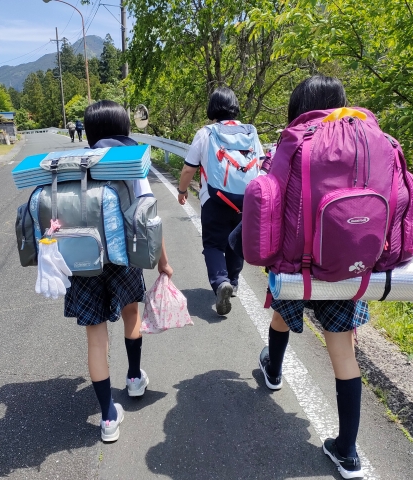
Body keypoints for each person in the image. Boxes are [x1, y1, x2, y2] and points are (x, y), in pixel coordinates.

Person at [257, 75, 368, 479]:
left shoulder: (289, 146)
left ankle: (272, 371)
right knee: (343, 353)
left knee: (281, 315)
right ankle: (348, 452)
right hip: (345, 269)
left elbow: (266, 204)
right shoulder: (362, 145)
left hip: (295, 268)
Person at [65, 100, 174, 443]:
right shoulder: (130, 163)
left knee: (95, 338)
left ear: (91, 131)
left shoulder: (75, 164)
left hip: (84, 261)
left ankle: (108, 417)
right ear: (125, 127)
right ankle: (133, 378)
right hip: (124, 259)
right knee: (131, 317)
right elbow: (149, 219)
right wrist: (163, 262)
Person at [176, 87, 264, 316]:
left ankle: (220, 282)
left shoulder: (206, 133)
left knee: (214, 244)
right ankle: (233, 282)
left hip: (215, 200)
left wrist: (182, 190)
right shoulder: (250, 132)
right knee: (237, 241)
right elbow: (262, 164)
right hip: (247, 200)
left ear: (212, 107)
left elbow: (188, 168)